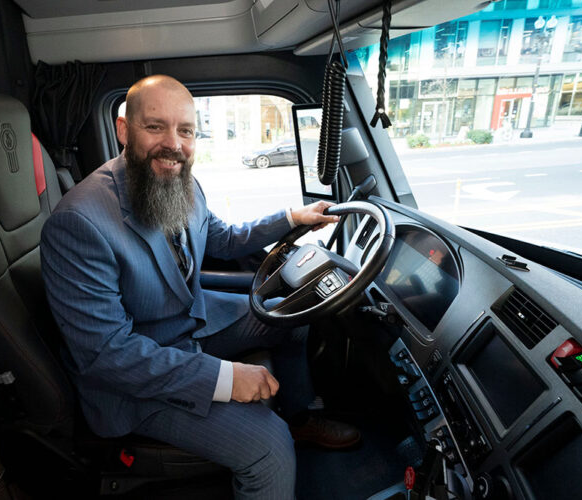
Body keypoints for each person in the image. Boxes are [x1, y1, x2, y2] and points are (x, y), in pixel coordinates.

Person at [40, 75, 359, 499]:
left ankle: (300, 418)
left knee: (289, 314)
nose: (173, 143)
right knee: (268, 446)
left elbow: (221, 237)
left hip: (190, 326)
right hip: (133, 378)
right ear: (123, 129)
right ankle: (283, 441)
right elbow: (105, 355)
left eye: (186, 130)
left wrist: (291, 219)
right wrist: (224, 377)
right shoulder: (79, 222)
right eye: (155, 126)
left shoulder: (181, 180)